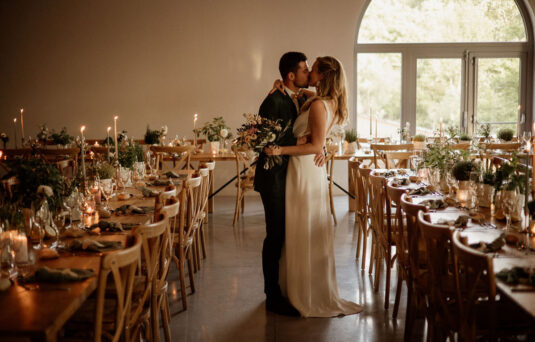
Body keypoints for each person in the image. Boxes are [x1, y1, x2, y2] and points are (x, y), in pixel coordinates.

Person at [265, 56, 363, 317]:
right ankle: (294, 288)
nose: (308, 72)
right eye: (306, 68)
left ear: (322, 75)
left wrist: (279, 150)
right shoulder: (321, 100)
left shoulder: (319, 105)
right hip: (303, 169)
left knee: (302, 227)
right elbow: (304, 101)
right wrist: (282, 84)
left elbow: (314, 146)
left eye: (313, 68)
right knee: (299, 227)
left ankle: (304, 292)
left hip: (304, 168)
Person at [254, 52, 323, 316]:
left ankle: (283, 287)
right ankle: (272, 296)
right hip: (273, 178)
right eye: (305, 70)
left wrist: (318, 145)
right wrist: (298, 145)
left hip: (288, 176)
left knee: (283, 234)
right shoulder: (274, 101)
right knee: (275, 235)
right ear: (291, 76)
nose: (308, 74)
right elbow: (263, 143)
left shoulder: (295, 98)